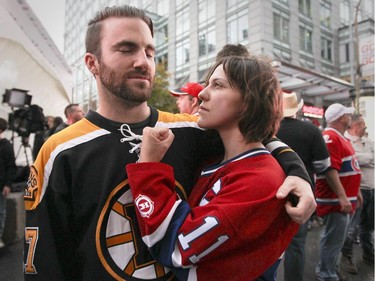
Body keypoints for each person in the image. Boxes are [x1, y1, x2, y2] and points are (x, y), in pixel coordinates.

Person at [24, 5, 314, 281]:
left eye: (150, 51)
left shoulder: (192, 130)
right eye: (126, 49)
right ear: (92, 63)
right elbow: (45, 262)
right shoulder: (59, 150)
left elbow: (254, 136)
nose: (143, 61)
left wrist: (297, 173)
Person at [126, 55, 299, 280]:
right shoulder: (218, 160)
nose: (202, 94)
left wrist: (148, 166)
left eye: (218, 85)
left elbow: (175, 247)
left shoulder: (260, 180)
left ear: (249, 101)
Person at [276, 92, 332, 281]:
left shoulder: (268, 129)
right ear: (297, 108)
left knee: (265, 244)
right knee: (296, 245)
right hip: (301, 193)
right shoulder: (311, 130)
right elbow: (323, 164)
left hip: (271, 191)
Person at [315, 103, 362, 281]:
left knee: (336, 240)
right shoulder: (330, 137)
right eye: (347, 115)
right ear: (341, 118)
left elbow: (346, 167)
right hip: (335, 201)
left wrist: (355, 193)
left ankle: (329, 270)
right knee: (333, 240)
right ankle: (326, 275)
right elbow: (330, 170)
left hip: (341, 200)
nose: (349, 117)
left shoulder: (338, 137)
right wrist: (343, 197)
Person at [339, 114, 374, 274]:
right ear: (357, 126)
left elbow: (364, 159)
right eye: (363, 124)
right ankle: (347, 256)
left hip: (371, 190)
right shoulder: (345, 142)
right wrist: (367, 158)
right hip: (356, 191)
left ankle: (368, 253)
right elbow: (349, 159)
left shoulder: (368, 142)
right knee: (351, 228)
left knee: (368, 226)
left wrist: (361, 158)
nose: (365, 127)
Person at [0, 118, 17, 248]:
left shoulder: (6, 146)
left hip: (1, 184)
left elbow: (11, 166)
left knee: (1, 212)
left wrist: (7, 184)